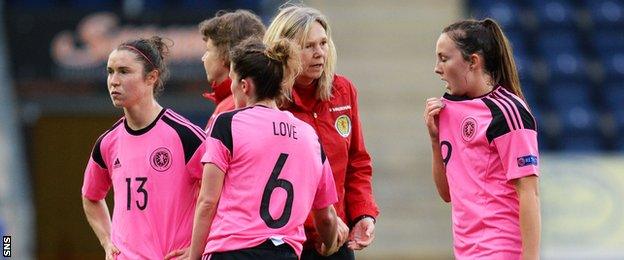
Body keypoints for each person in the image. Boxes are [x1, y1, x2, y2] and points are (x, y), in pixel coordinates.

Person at [187, 38, 348, 260]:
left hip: (231, 251)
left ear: (244, 86)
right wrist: (330, 244)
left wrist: (193, 257)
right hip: (285, 253)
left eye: (233, 80)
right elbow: (327, 217)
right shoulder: (309, 135)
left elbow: (207, 202)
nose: (232, 87)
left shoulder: (227, 124)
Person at [263, 5, 379, 259]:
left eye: (323, 43)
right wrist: (322, 222)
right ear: (285, 51)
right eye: (308, 46)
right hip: (282, 242)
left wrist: (363, 214)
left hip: (336, 241)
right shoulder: (267, 100)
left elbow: (357, 161)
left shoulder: (343, 90)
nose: (319, 53)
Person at [424, 18, 541, 260]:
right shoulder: (448, 110)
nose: (437, 68)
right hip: (466, 251)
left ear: (473, 62)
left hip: (501, 250)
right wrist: (435, 141)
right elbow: (447, 193)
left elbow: (528, 192)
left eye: (444, 58)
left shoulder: (508, 111)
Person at [81, 36, 206, 260]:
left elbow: (222, 192)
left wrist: (198, 246)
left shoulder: (185, 136)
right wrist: (107, 241)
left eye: (124, 71)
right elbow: (91, 196)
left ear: (151, 77)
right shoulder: (107, 143)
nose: (113, 81)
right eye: (110, 71)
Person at [198, 9, 266, 129]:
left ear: (225, 54)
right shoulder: (263, 97)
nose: (204, 58)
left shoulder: (233, 107)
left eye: (208, 50)